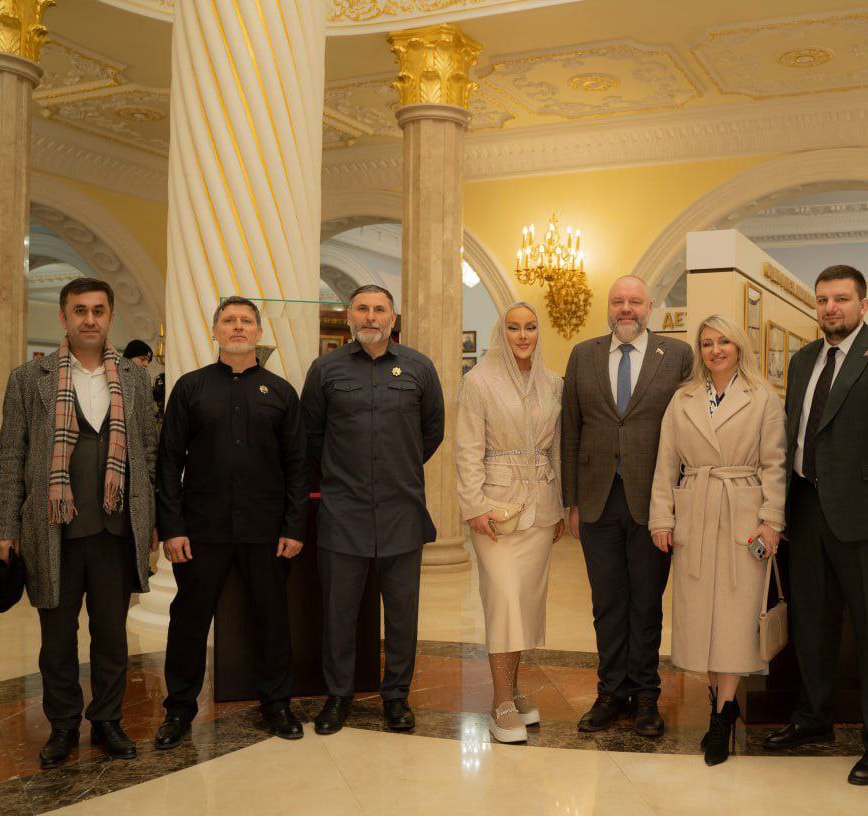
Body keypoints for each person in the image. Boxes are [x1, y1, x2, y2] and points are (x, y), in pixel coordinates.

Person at [762, 264, 868, 786]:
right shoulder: (803, 360)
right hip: (807, 511)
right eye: (823, 300)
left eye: (841, 299)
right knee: (811, 626)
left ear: (863, 304)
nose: (831, 308)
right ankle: (813, 718)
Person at [0, 277, 157, 769]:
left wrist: (151, 520)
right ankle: (63, 726)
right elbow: (11, 455)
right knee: (57, 640)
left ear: (110, 317)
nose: (89, 319)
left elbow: (148, 454)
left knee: (112, 637)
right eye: (79, 310)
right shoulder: (29, 378)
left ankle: (107, 720)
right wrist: (3, 526)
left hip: (115, 531)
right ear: (64, 317)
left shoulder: (134, 378)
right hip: (52, 530)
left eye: (98, 310)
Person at [153, 296, 308, 748]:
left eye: (246, 321)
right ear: (215, 330)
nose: (237, 327)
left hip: (267, 530)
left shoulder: (281, 392)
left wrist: (294, 527)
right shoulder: (190, 388)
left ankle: (277, 704)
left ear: (258, 333)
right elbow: (168, 462)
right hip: (202, 530)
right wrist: (172, 527)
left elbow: (298, 466)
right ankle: (179, 709)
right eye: (229, 320)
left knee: (272, 618)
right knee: (188, 619)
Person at [302, 284, 445, 735]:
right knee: (339, 613)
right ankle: (338, 695)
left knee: (402, 613)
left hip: (402, 511)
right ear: (349, 317)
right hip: (343, 513)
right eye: (362, 309)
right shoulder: (325, 370)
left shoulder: (419, 367)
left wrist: (398, 468)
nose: (370, 317)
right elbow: (311, 436)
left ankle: (397, 696)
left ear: (392, 317)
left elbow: (432, 431)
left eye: (379, 309)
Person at [649, 315, 787, 765]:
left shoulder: (763, 397)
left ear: (739, 345)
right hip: (695, 511)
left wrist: (771, 519)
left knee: (734, 618)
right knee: (700, 619)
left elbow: (775, 464)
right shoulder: (683, 398)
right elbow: (665, 463)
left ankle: (723, 714)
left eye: (724, 341)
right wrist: (661, 519)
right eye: (707, 343)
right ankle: (717, 702)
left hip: (743, 515)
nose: (716, 350)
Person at [561, 275, 694, 736]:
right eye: (618, 301)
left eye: (634, 301)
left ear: (650, 307)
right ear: (609, 306)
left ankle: (646, 697)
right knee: (607, 603)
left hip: (653, 502)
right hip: (596, 503)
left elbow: (688, 430)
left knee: (646, 603)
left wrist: (680, 503)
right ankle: (609, 693)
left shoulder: (676, 355)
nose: (626, 309)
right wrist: (571, 501)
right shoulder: (583, 355)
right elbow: (570, 429)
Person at [455, 302, 565, 744]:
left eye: (531, 327)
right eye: (514, 328)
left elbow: (556, 449)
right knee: (503, 601)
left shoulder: (553, 383)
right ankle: (501, 702)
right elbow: (467, 450)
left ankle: (514, 689)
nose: (523, 335)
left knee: (523, 604)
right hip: (495, 511)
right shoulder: (478, 382)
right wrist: (474, 505)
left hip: (541, 507)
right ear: (502, 333)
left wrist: (559, 507)